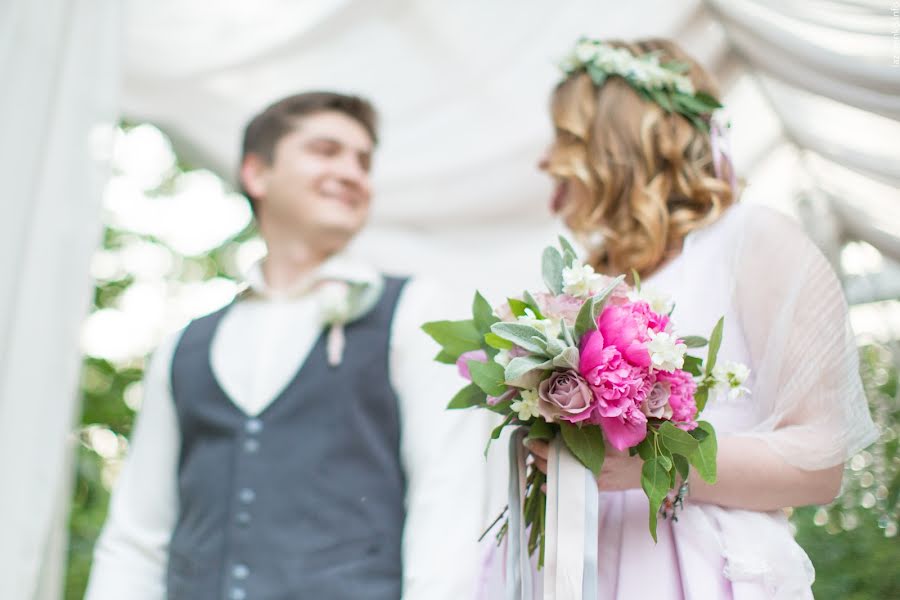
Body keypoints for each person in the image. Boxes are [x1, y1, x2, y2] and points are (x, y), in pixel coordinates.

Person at [478, 39, 879, 598]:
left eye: (566, 138)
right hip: (579, 565)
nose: (546, 160)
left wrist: (654, 464)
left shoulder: (752, 241)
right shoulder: (587, 280)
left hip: (699, 570)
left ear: (621, 143)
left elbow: (819, 462)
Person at [86, 91, 487, 600]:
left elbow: (448, 505)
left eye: (362, 161)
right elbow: (136, 540)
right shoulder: (184, 348)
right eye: (326, 150)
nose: (352, 172)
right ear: (257, 173)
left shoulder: (417, 311)